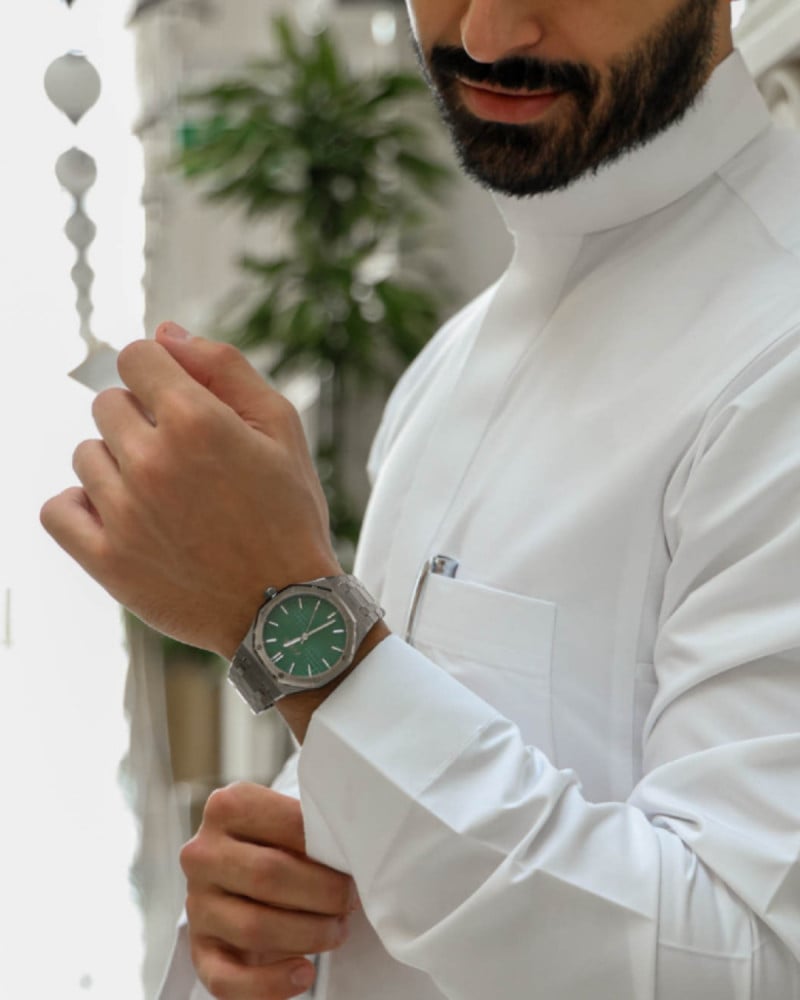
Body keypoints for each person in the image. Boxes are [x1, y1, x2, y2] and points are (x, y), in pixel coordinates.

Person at [41, 0, 800, 997]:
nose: (484, 35)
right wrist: (274, 889)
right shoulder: (452, 360)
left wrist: (286, 617)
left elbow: (751, 962)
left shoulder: (779, 352)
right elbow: (419, 770)